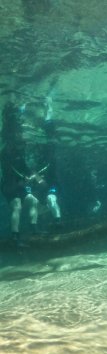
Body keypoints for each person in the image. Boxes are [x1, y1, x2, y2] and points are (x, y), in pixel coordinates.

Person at [1, 100, 62, 247]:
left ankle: (34, 230)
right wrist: (24, 179)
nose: (23, 143)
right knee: (17, 205)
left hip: (18, 183)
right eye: (21, 141)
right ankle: (15, 237)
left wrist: (30, 177)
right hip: (9, 185)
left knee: (33, 201)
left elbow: (26, 169)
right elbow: (11, 170)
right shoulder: (8, 151)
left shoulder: (22, 154)